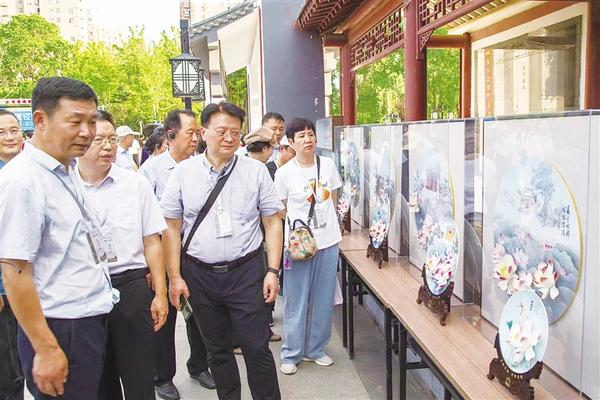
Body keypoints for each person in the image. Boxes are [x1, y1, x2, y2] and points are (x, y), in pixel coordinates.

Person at [0, 76, 116, 399]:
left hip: (85, 319)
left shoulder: (64, 169)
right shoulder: (22, 182)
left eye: (91, 121)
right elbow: (15, 272)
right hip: (60, 327)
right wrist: (46, 348)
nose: (87, 132)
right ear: (41, 120)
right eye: (75, 122)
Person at [161, 102, 283, 400]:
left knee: (256, 347)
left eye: (235, 132)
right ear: (203, 133)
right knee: (217, 350)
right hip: (200, 275)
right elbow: (171, 228)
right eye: (221, 131)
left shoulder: (255, 171)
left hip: (247, 272)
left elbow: (272, 222)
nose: (229, 138)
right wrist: (175, 277)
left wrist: (272, 270)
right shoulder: (182, 174)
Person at [76, 110, 169, 400]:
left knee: (139, 375)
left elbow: (152, 241)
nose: (107, 146)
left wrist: (160, 293)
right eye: (98, 140)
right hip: (86, 290)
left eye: (111, 139)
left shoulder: (135, 184)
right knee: (99, 380)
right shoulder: (65, 186)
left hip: (130, 287)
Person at [139, 109, 214, 400]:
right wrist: (149, 266)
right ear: (171, 135)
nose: (196, 138)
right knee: (165, 314)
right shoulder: (151, 171)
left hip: (195, 252)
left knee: (199, 313)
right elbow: (141, 221)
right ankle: (162, 377)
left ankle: (199, 365)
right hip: (161, 250)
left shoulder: (203, 166)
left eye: (198, 132)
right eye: (190, 132)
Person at [274, 117, 342, 375]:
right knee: (296, 299)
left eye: (310, 134)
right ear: (291, 142)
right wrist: (298, 228)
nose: (308, 139)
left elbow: (333, 196)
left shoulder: (328, 165)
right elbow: (279, 209)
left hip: (328, 241)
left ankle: (316, 349)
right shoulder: (284, 173)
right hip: (299, 246)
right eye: (301, 136)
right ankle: (291, 353)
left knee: (323, 298)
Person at [0, 109, 25, 400]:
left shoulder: (32, 170)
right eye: (1, 132)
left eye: (13, 130)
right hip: (5, 291)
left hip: (35, 286)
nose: (9, 136)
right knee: (9, 371)